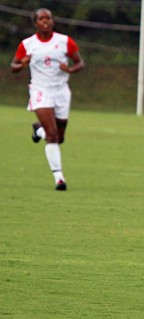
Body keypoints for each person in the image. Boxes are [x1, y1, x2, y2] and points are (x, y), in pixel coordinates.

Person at [11, 8, 85, 191]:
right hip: (40, 90)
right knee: (52, 135)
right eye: (41, 19)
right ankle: (59, 178)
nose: (45, 21)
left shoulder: (64, 41)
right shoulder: (27, 44)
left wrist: (70, 70)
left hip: (61, 91)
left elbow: (80, 63)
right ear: (35, 23)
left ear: (52, 21)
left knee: (59, 138)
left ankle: (39, 132)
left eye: (48, 18)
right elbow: (13, 66)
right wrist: (21, 64)